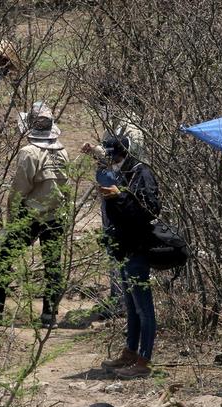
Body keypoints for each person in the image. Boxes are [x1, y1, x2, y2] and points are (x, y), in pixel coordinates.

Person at [0, 102, 68, 327]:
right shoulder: (63, 152)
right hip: (56, 215)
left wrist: (11, 217)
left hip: (30, 215)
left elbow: (19, 189)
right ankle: (50, 316)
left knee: (3, 258)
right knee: (53, 265)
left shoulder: (28, 152)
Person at [80, 89, 148, 319]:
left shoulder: (132, 128)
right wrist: (96, 151)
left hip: (123, 197)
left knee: (121, 246)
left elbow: (129, 160)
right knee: (112, 245)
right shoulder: (114, 125)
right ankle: (117, 299)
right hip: (110, 194)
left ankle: (123, 302)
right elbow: (111, 156)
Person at [98, 136, 161, 379]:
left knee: (144, 307)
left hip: (138, 247)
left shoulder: (141, 172)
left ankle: (144, 361)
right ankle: (130, 352)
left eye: (114, 156)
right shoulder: (119, 172)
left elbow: (150, 210)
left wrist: (120, 196)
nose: (111, 161)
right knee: (132, 306)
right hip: (123, 247)